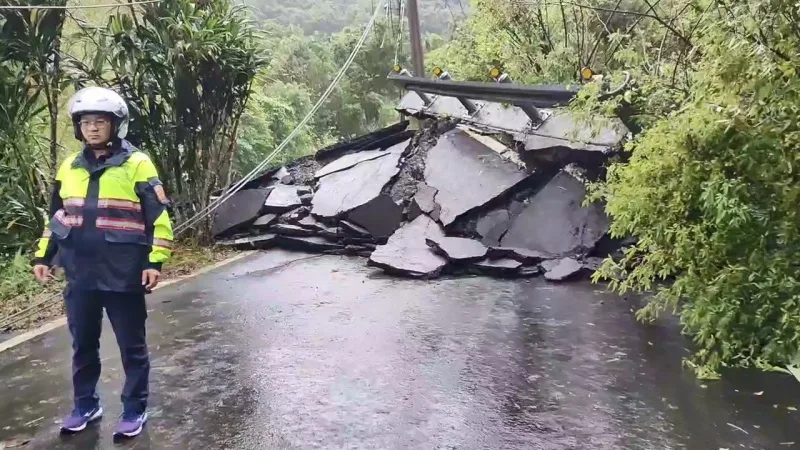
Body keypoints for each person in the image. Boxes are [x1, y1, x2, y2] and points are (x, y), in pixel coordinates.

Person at [32, 86, 173, 438]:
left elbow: (159, 218)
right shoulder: (69, 167)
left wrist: (154, 262)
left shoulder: (137, 163)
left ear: (115, 124)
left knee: (131, 347)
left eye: (99, 121)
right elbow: (57, 217)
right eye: (85, 122)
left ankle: (134, 408)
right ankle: (85, 405)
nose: (92, 128)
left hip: (124, 272)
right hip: (80, 273)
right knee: (82, 345)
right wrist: (44, 255)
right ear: (78, 128)